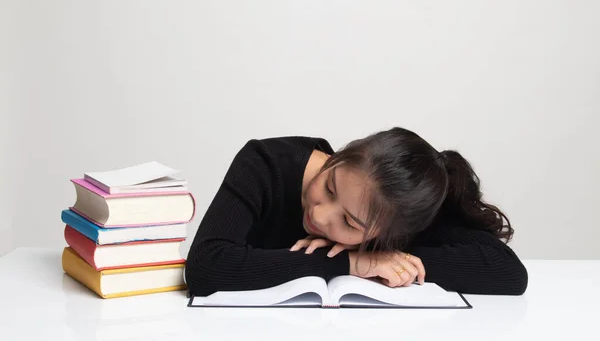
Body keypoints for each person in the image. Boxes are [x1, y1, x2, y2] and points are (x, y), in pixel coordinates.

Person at [185, 127, 528, 297]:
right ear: (339, 157)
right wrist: (352, 263)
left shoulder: (396, 212)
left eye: (350, 223)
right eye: (330, 187)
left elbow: (508, 272)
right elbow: (206, 266)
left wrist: (394, 257)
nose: (320, 216)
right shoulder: (265, 163)